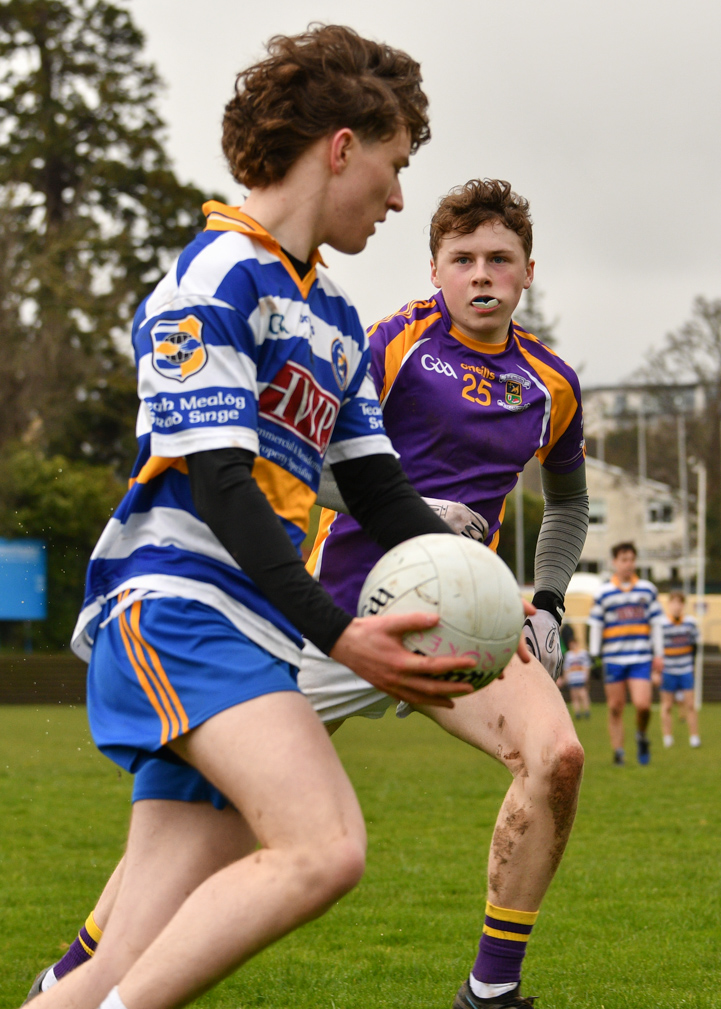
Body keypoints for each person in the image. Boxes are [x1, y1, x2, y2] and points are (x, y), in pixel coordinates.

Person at [25, 179, 584, 1009]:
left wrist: (544, 599)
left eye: (497, 259)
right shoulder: (382, 339)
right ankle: (83, 968)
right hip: (325, 615)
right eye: (461, 258)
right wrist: (419, 515)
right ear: (434, 268)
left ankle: (489, 990)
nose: (480, 275)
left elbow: (567, 502)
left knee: (557, 756)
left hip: (461, 624)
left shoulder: (550, 382)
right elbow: (307, 466)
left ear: (526, 271)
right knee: (209, 821)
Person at [589, 542, 664, 765]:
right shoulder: (603, 592)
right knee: (615, 707)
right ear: (614, 563)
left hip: (641, 657)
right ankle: (619, 753)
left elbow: (657, 623)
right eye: (623, 559)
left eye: (631, 559)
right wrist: (594, 656)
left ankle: (641, 735)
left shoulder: (647, 589)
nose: (628, 564)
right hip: (613, 658)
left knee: (643, 705)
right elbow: (596, 625)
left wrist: (659, 654)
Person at [656, 591, 701, 748]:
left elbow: (695, 646)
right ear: (669, 604)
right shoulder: (661, 624)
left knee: (690, 704)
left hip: (685, 669)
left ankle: (694, 737)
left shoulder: (691, 623)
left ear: (683, 605)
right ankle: (667, 737)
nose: (677, 606)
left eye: (680, 603)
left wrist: (691, 665)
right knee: (667, 705)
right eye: (674, 602)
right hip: (668, 670)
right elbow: (657, 648)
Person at [560, 634, 591, 719]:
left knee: (583, 694)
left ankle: (586, 711)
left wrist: (586, 676)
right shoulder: (569, 655)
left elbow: (586, 666)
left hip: (580, 677)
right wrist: (565, 678)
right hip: (572, 678)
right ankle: (577, 712)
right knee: (574, 695)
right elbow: (566, 668)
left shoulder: (583, 653)